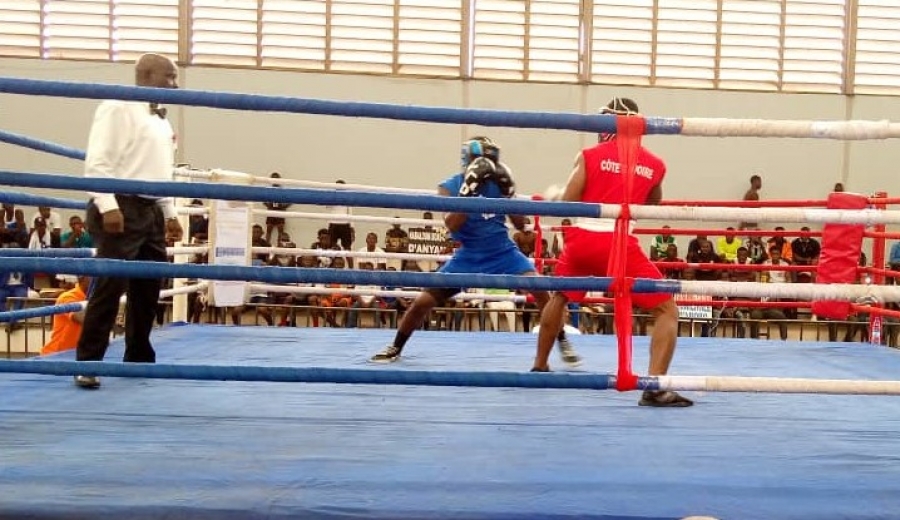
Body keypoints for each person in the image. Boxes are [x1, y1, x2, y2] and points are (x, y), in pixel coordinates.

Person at [534, 97, 692, 407]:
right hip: (620, 244)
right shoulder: (656, 164)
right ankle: (654, 387)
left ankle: (539, 365)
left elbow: (567, 202)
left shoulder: (589, 155)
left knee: (560, 296)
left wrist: (558, 192)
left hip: (581, 240)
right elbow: (651, 206)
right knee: (666, 310)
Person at [370, 136, 580, 365]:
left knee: (541, 291)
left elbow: (521, 225)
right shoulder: (448, 186)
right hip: (468, 256)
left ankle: (561, 340)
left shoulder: (499, 184)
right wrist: (468, 190)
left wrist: (509, 192)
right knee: (422, 302)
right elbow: (451, 225)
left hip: (503, 252)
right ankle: (395, 346)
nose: (488, 166)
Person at [74, 53, 184, 389]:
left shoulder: (162, 119)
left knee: (149, 289)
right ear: (146, 75)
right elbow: (98, 160)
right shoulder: (118, 107)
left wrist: (170, 214)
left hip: (149, 210)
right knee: (110, 287)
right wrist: (108, 205)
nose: (175, 84)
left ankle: (138, 358)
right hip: (120, 205)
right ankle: (88, 363)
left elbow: (160, 171)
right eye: (169, 76)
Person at [41, 276, 91, 356]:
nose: (97, 281)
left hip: (77, 354)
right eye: (94, 276)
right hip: (57, 355)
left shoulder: (93, 297)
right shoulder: (68, 297)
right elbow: (81, 318)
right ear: (82, 278)